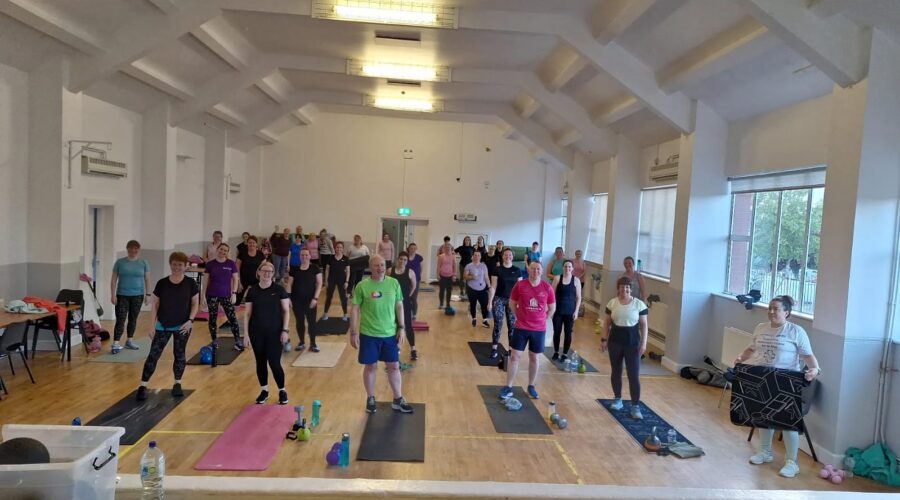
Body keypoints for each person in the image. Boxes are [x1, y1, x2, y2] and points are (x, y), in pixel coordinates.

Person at [734, 295, 821, 478]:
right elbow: (752, 349)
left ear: (787, 312)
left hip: (786, 381)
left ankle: (792, 462)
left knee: (788, 424)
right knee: (763, 417)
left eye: (777, 309)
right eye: (770, 308)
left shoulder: (796, 332)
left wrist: (814, 369)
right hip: (762, 379)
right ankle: (765, 452)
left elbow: (808, 356)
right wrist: (741, 358)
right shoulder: (760, 328)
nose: (772, 312)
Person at [350, 255, 414, 414]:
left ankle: (398, 399)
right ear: (370, 268)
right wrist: (353, 332)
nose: (380, 268)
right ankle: (370, 398)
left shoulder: (393, 283)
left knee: (394, 366)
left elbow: (399, 306)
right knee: (371, 366)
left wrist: (402, 327)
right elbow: (355, 309)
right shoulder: (362, 286)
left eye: (382, 265)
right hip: (369, 334)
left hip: (389, 334)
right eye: (377, 265)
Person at [136, 252, 199, 401]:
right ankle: (143, 385)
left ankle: (177, 383)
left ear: (185, 267)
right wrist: (152, 326)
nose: (177, 267)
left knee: (179, 354)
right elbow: (155, 305)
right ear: (170, 264)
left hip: (182, 325)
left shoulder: (190, 284)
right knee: (153, 356)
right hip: (162, 325)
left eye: (180, 265)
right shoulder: (162, 283)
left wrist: (190, 320)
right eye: (174, 264)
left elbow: (195, 303)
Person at [499, 261, 555, 401]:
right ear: (528, 270)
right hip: (521, 327)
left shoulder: (547, 288)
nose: (535, 271)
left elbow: (552, 307)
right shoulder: (520, 285)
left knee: (534, 357)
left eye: (538, 269)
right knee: (514, 356)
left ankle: (531, 386)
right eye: (533, 269)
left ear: (541, 272)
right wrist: (518, 315)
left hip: (538, 330)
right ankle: (509, 387)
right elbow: (512, 303)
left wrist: (543, 319)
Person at [242, 261, 291, 405]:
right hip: (257, 332)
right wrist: (246, 334)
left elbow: (286, 311)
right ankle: (264, 390)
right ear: (259, 272)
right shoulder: (253, 291)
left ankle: (282, 390)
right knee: (260, 362)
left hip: (275, 332)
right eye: (264, 271)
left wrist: (285, 330)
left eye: (270, 271)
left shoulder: (279, 289)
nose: (267, 273)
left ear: (273, 273)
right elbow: (247, 314)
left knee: (274, 362)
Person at [601, 277, 649, 420]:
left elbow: (644, 326)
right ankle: (618, 399)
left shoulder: (639, 305)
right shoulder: (612, 303)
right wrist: (603, 339)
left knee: (633, 375)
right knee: (616, 371)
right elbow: (606, 323)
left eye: (627, 288)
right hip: (615, 342)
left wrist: (644, 344)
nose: (625, 290)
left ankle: (635, 406)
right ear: (618, 289)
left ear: (631, 289)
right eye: (622, 288)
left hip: (632, 343)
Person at [110, 240, 151, 354]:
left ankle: (129, 340)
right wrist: (113, 295)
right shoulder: (120, 262)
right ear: (127, 249)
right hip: (122, 295)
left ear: (139, 250)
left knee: (133, 319)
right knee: (121, 319)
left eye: (136, 248)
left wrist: (148, 294)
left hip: (137, 296)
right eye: (131, 248)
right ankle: (116, 343)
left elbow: (147, 279)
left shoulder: (143, 263)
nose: (133, 250)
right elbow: (113, 280)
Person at [204, 243, 243, 350]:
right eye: (221, 249)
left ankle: (237, 340)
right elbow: (206, 280)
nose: (223, 252)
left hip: (226, 295)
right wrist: (203, 295)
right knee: (212, 318)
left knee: (232, 318)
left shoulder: (231, 264)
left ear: (227, 252)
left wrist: (234, 293)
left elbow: (236, 279)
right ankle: (214, 340)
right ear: (217, 249)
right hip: (212, 295)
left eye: (225, 250)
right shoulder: (210, 264)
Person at [287, 248, 322, 352]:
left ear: (310, 256)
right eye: (302, 255)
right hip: (296, 300)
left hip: (310, 300)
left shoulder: (314, 268)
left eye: (306, 255)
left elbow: (319, 283)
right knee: (300, 321)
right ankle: (301, 342)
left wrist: (315, 298)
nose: (304, 257)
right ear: (299, 256)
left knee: (311, 322)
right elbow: (289, 284)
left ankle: (313, 343)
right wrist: (288, 298)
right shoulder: (294, 269)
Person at [488, 247, 520, 358]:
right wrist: (489, 302)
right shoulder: (497, 270)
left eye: (510, 255)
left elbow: (519, 289)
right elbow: (493, 286)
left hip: (512, 300)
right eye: (505, 255)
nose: (507, 257)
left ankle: (511, 349)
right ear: (502, 257)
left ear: (512, 257)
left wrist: (520, 303)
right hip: (499, 299)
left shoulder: (517, 270)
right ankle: (494, 348)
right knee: (498, 323)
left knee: (512, 325)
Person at [389, 252, 418, 361]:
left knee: (408, 326)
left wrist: (407, 296)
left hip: (405, 303)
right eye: (401, 259)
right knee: (395, 325)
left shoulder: (410, 272)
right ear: (397, 259)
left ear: (407, 261)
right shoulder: (390, 271)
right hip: (392, 303)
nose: (402, 261)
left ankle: (413, 349)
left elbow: (414, 286)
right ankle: (397, 349)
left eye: (405, 260)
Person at [551, 261, 582, 360]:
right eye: (565, 266)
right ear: (562, 267)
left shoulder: (576, 280)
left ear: (572, 268)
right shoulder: (557, 278)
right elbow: (551, 295)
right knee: (557, 332)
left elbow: (578, 297)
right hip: (558, 311)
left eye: (569, 267)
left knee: (568, 333)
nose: (567, 268)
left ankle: (564, 353)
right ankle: (556, 351)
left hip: (570, 312)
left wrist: (576, 311)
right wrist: (551, 309)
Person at [323, 241, 350, 321]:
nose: (339, 249)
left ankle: (345, 314)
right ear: (335, 248)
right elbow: (327, 270)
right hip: (331, 279)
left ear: (342, 249)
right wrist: (326, 280)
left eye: (340, 247)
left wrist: (347, 281)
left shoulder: (345, 258)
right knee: (329, 297)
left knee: (343, 298)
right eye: (337, 247)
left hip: (342, 280)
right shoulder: (330, 258)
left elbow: (348, 271)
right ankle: (325, 313)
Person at [465, 250, 490, 328]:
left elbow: (486, 277)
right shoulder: (468, 266)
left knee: (484, 304)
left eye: (478, 255)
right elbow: (465, 277)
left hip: (482, 288)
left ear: (480, 257)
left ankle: (484, 320)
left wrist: (489, 286)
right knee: (473, 304)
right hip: (472, 288)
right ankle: (474, 318)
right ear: (473, 256)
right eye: (475, 255)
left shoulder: (483, 266)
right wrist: (472, 277)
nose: (476, 257)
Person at [236, 236, 264, 304]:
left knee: (256, 300)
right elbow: (237, 268)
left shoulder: (260, 254)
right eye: (250, 242)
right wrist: (239, 282)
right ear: (247, 243)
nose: (252, 244)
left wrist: (262, 281)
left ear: (256, 244)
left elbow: (263, 268)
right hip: (243, 280)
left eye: (253, 243)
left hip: (256, 280)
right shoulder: (242, 253)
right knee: (237, 300)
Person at [406, 243, 424, 319]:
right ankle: (406, 312)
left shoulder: (419, 257)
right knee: (406, 297)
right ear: (408, 249)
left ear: (416, 249)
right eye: (411, 248)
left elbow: (421, 268)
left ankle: (414, 314)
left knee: (414, 298)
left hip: (416, 280)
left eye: (414, 248)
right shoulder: (405, 257)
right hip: (406, 280)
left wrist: (419, 276)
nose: (412, 249)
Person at [437, 244, 456, 309]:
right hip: (442, 275)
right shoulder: (441, 256)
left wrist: (454, 275)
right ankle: (441, 303)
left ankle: (448, 303)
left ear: (451, 249)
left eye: (449, 248)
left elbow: (454, 267)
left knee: (449, 291)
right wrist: (437, 275)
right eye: (446, 248)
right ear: (444, 249)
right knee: (441, 290)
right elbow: (438, 266)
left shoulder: (453, 256)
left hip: (450, 276)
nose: (447, 249)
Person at [572, 249, 587, 317]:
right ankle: (572, 307)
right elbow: (571, 269)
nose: (578, 255)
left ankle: (578, 309)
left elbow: (584, 271)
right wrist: (574, 277)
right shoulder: (573, 261)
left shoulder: (583, 262)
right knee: (573, 293)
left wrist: (579, 277)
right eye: (577, 254)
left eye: (580, 254)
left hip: (581, 280)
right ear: (575, 254)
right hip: (573, 279)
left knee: (579, 294)